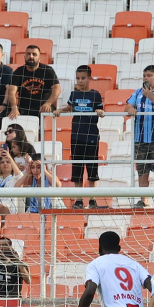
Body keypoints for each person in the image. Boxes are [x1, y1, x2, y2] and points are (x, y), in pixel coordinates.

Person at [55, 64, 103, 208]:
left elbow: (100, 108)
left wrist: (100, 111)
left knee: (92, 168)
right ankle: (79, 199)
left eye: (83, 78)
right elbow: (70, 107)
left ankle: (93, 198)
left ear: (89, 78)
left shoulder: (95, 94)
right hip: (76, 136)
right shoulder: (74, 94)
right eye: (77, 78)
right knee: (77, 167)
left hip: (92, 135)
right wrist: (61, 110)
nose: (80, 81)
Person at [125, 64, 154, 209]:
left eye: (150, 75)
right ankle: (143, 200)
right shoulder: (138, 92)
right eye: (145, 75)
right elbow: (127, 106)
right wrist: (131, 109)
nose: (146, 78)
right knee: (142, 169)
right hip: (140, 138)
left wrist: (150, 96)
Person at [7, 45, 59, 118]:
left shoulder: (47, 70)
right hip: (24, 108)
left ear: (39, 58)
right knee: (10, 117)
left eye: (34, 54)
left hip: (43, 108)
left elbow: (57, 89)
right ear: (24, 57)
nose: (31, 56)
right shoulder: (18, 72)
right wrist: (14, 108)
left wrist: (48, 104)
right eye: (28, 54)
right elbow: (11, 92)